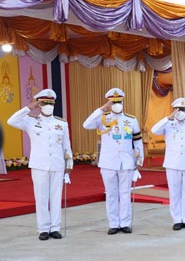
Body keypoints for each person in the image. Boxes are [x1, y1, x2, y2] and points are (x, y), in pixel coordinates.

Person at [7, 89, 73, 240]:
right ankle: (43, 229)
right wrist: (30, 107)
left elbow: (66, 146)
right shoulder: (30, 120)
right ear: (40, 105)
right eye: (44, 103)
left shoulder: (61, 123)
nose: (48, 106)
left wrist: (69, 166)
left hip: (57, 164)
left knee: (56, 197)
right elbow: (11, 121)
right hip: (39, 165)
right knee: (41, 197)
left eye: (51, 103)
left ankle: (55, 228)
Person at [83, 88, 143, 234]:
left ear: (123, 102)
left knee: (125, 193)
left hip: (127, 161)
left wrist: (139, 160)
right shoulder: (102, 118)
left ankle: (125, 223)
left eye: (119, 102)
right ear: (109, 103)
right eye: (113, 102)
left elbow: (137, 141)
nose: (117, 104)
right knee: (111, 194)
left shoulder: (131, 119)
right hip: (108, 162)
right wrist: (102, 109)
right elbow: (86, 125)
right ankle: (114, 223)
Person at [150, 97, 185, 230]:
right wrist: (169, 117)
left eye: (183, 109)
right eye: (178, 109)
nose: (181, 111)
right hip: (172, 163)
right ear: (174, 110)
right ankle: (176, 220)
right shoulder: (167, 124)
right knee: (174, 192)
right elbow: (154, 130)